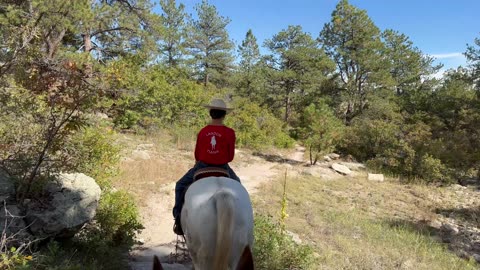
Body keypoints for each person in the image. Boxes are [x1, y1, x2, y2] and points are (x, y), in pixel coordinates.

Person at [172, 98, 241, 235]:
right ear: (224, 115)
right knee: (239, 186)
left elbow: (197, 154)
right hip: (223, 167)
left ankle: (178, 219)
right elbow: (230, 157)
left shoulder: (203, 131)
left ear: (210, 113)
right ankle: (239, 222)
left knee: (180, 185)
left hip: (202, 166)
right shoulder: (229, 132)